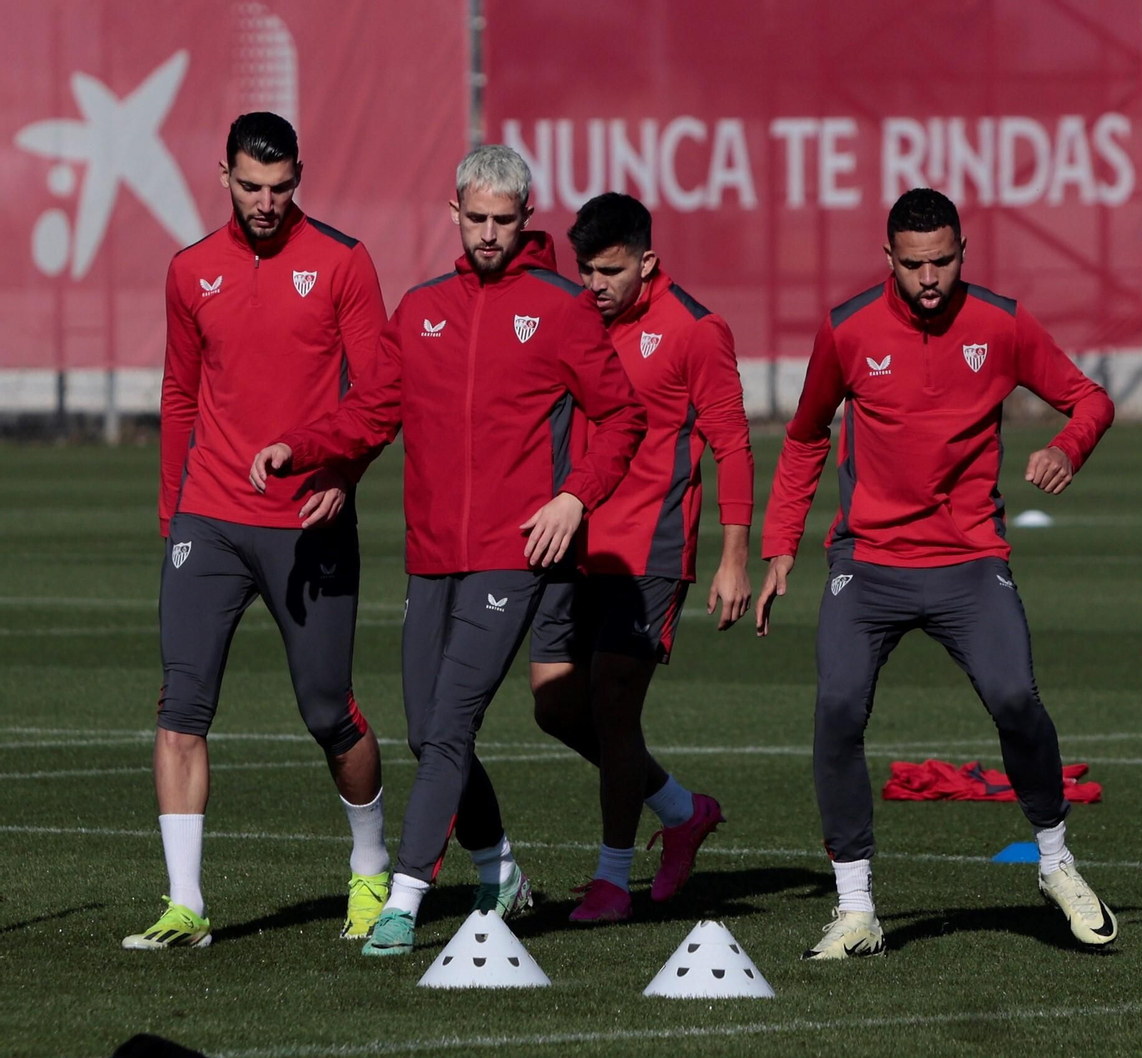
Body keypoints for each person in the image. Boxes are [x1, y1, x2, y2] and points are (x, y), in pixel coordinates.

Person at [250, 145, 646, 956]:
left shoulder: (563, 306)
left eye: (505, 220)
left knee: (455, 720)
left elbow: (622, 417)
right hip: (431, 554)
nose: (490, 233)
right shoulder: (422, 307)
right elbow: (372, 410)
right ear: (454, 215)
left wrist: (574, 497)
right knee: (428, 733)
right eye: (477, 218)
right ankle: (500, 870)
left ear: (525, 219)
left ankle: (406, 897)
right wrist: (302, 446)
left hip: (517, 553)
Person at [756, 187, 1118, 959]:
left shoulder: (1002, 323)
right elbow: (805, 434)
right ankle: (855, 908)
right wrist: (780, 544)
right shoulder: (848, 330)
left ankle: (1056, 860)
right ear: (887, 258)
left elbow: (1090, 399)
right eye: (914, 264)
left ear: (963, 254)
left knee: (1016, 698)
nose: (929, 279)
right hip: (869, 563)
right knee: (839, 710)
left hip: (970, 559)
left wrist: (1066, 448)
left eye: (943, 262)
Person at [126, 112, 390, 951]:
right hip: (207, 519)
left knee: (327, 710)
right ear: (223, 176)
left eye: (281, 188)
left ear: (299, 177)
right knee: (181, 709)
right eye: (251, 187)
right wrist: (173, 519)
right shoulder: (189, 270)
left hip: (308, 520)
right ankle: (185, 906)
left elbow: (378, 397)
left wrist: (341, 475)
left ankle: (371, 868)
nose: (267, 203)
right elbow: (178, 398)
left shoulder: (345, 262)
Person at [527, 193, 753, 922]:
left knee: (613, 709)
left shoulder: (695, 329)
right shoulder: (574, 317)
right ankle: (683, 811)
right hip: (571, 539)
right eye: (586, 269)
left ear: (648, 261)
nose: (594, 284)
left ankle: (610, 880)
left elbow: (732, 442)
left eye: (611, 271)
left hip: (651, 551)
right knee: (554, 703)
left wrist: (734, 557)